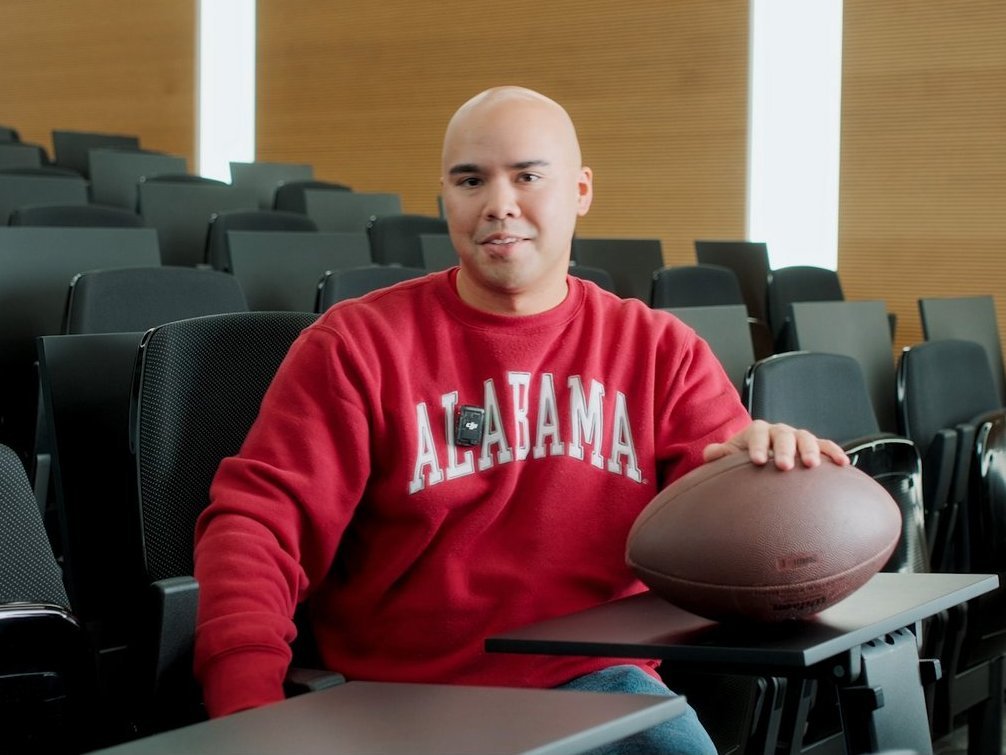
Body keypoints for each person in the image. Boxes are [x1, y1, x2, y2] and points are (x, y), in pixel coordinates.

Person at [193, 86, 848, 752]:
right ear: (444, 196)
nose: (499, 203)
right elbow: (259, 528)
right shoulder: (357, 345)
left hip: (595, 688)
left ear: (582, 190)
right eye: (470, 180)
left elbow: (727, 523)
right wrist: (249, 717)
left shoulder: (658, 351)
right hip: (398, 700)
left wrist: (778, 480)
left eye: (528, 176)